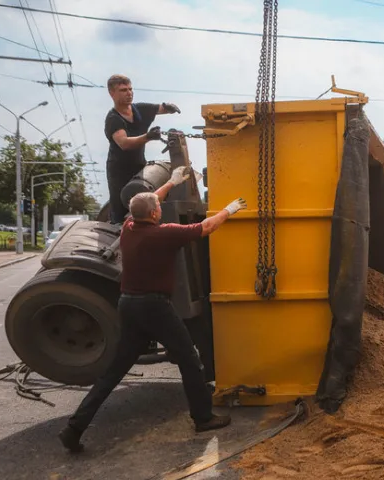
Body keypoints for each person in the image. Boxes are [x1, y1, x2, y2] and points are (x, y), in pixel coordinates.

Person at [58, 166, 247, 453]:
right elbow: (206, 227)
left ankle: (74, 429)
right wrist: (229, 210)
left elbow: (145, 203)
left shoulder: (128, 228)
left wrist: (169, 183)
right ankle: (204, 417)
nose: (159, 207)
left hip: (129, 304)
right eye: (158, 206)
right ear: (156, 214)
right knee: (190, 360)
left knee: (113, 372)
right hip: (154, 307)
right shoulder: (164, 233)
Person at [105, 74, 182, 224]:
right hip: (119, 173)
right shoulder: (113, 118)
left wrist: (169, 108)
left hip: (139, 167)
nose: (129, 93)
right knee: (120, 209)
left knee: (145, 205)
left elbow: (160, 108)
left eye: (130, 89)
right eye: (123, 90)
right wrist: (148, 137)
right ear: (112, 93)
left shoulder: (140, 109)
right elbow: (124, 143)